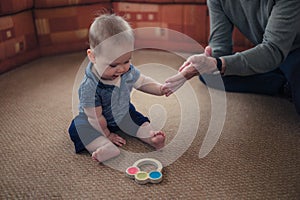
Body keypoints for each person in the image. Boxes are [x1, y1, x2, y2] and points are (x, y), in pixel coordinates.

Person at [163, 0, 300, 115]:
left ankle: (285, 82)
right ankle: (285, 86)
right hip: (266, 53)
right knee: (210, 75)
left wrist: (218, 63)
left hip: (293, 51)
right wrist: (208, 60)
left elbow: (273, 50)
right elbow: (220, 47)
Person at [68, 14, 171, 162]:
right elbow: (95, 117)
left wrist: (160, 89)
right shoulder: (89, 86)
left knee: (137, 118)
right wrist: (107, 135)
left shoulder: (127, 71)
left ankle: (151, 137)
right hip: (95, 121)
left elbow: (142, 81)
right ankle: (103, 146)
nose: (121, 69)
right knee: (77, 128)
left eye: (126, 61)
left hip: (123, 112)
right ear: (93, 57)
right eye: (113, 65)